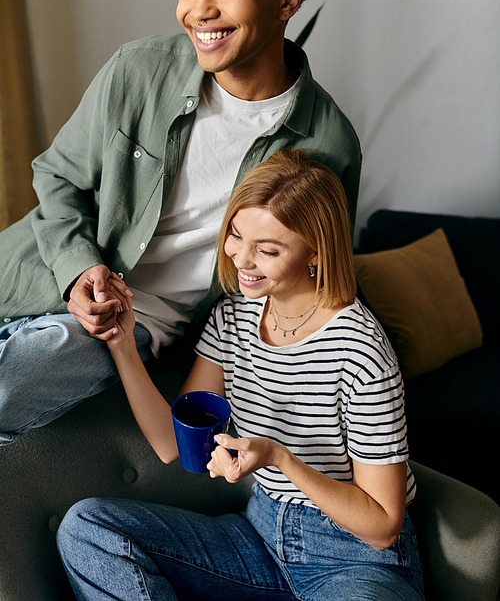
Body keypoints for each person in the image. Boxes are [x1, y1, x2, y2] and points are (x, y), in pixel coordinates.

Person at [0, 0, 361, 445]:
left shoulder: (326, 144)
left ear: (287, 0)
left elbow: (311, 281)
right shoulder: (138, 69)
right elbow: (58, 174)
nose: (199, 10)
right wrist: (79, 271)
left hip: (135, 322)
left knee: (14, 380)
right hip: (38, 268)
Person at [56, 149, 425, 601]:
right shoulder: (233, 319)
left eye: (267, 250)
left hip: (355, 560)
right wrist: (122, 342)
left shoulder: (360, 348)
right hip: (261, 539)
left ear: (315, 252)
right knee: (88, 529)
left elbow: (384, 525)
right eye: (235, 234)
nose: (240, 259)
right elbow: (172, 443)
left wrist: (280, 457)